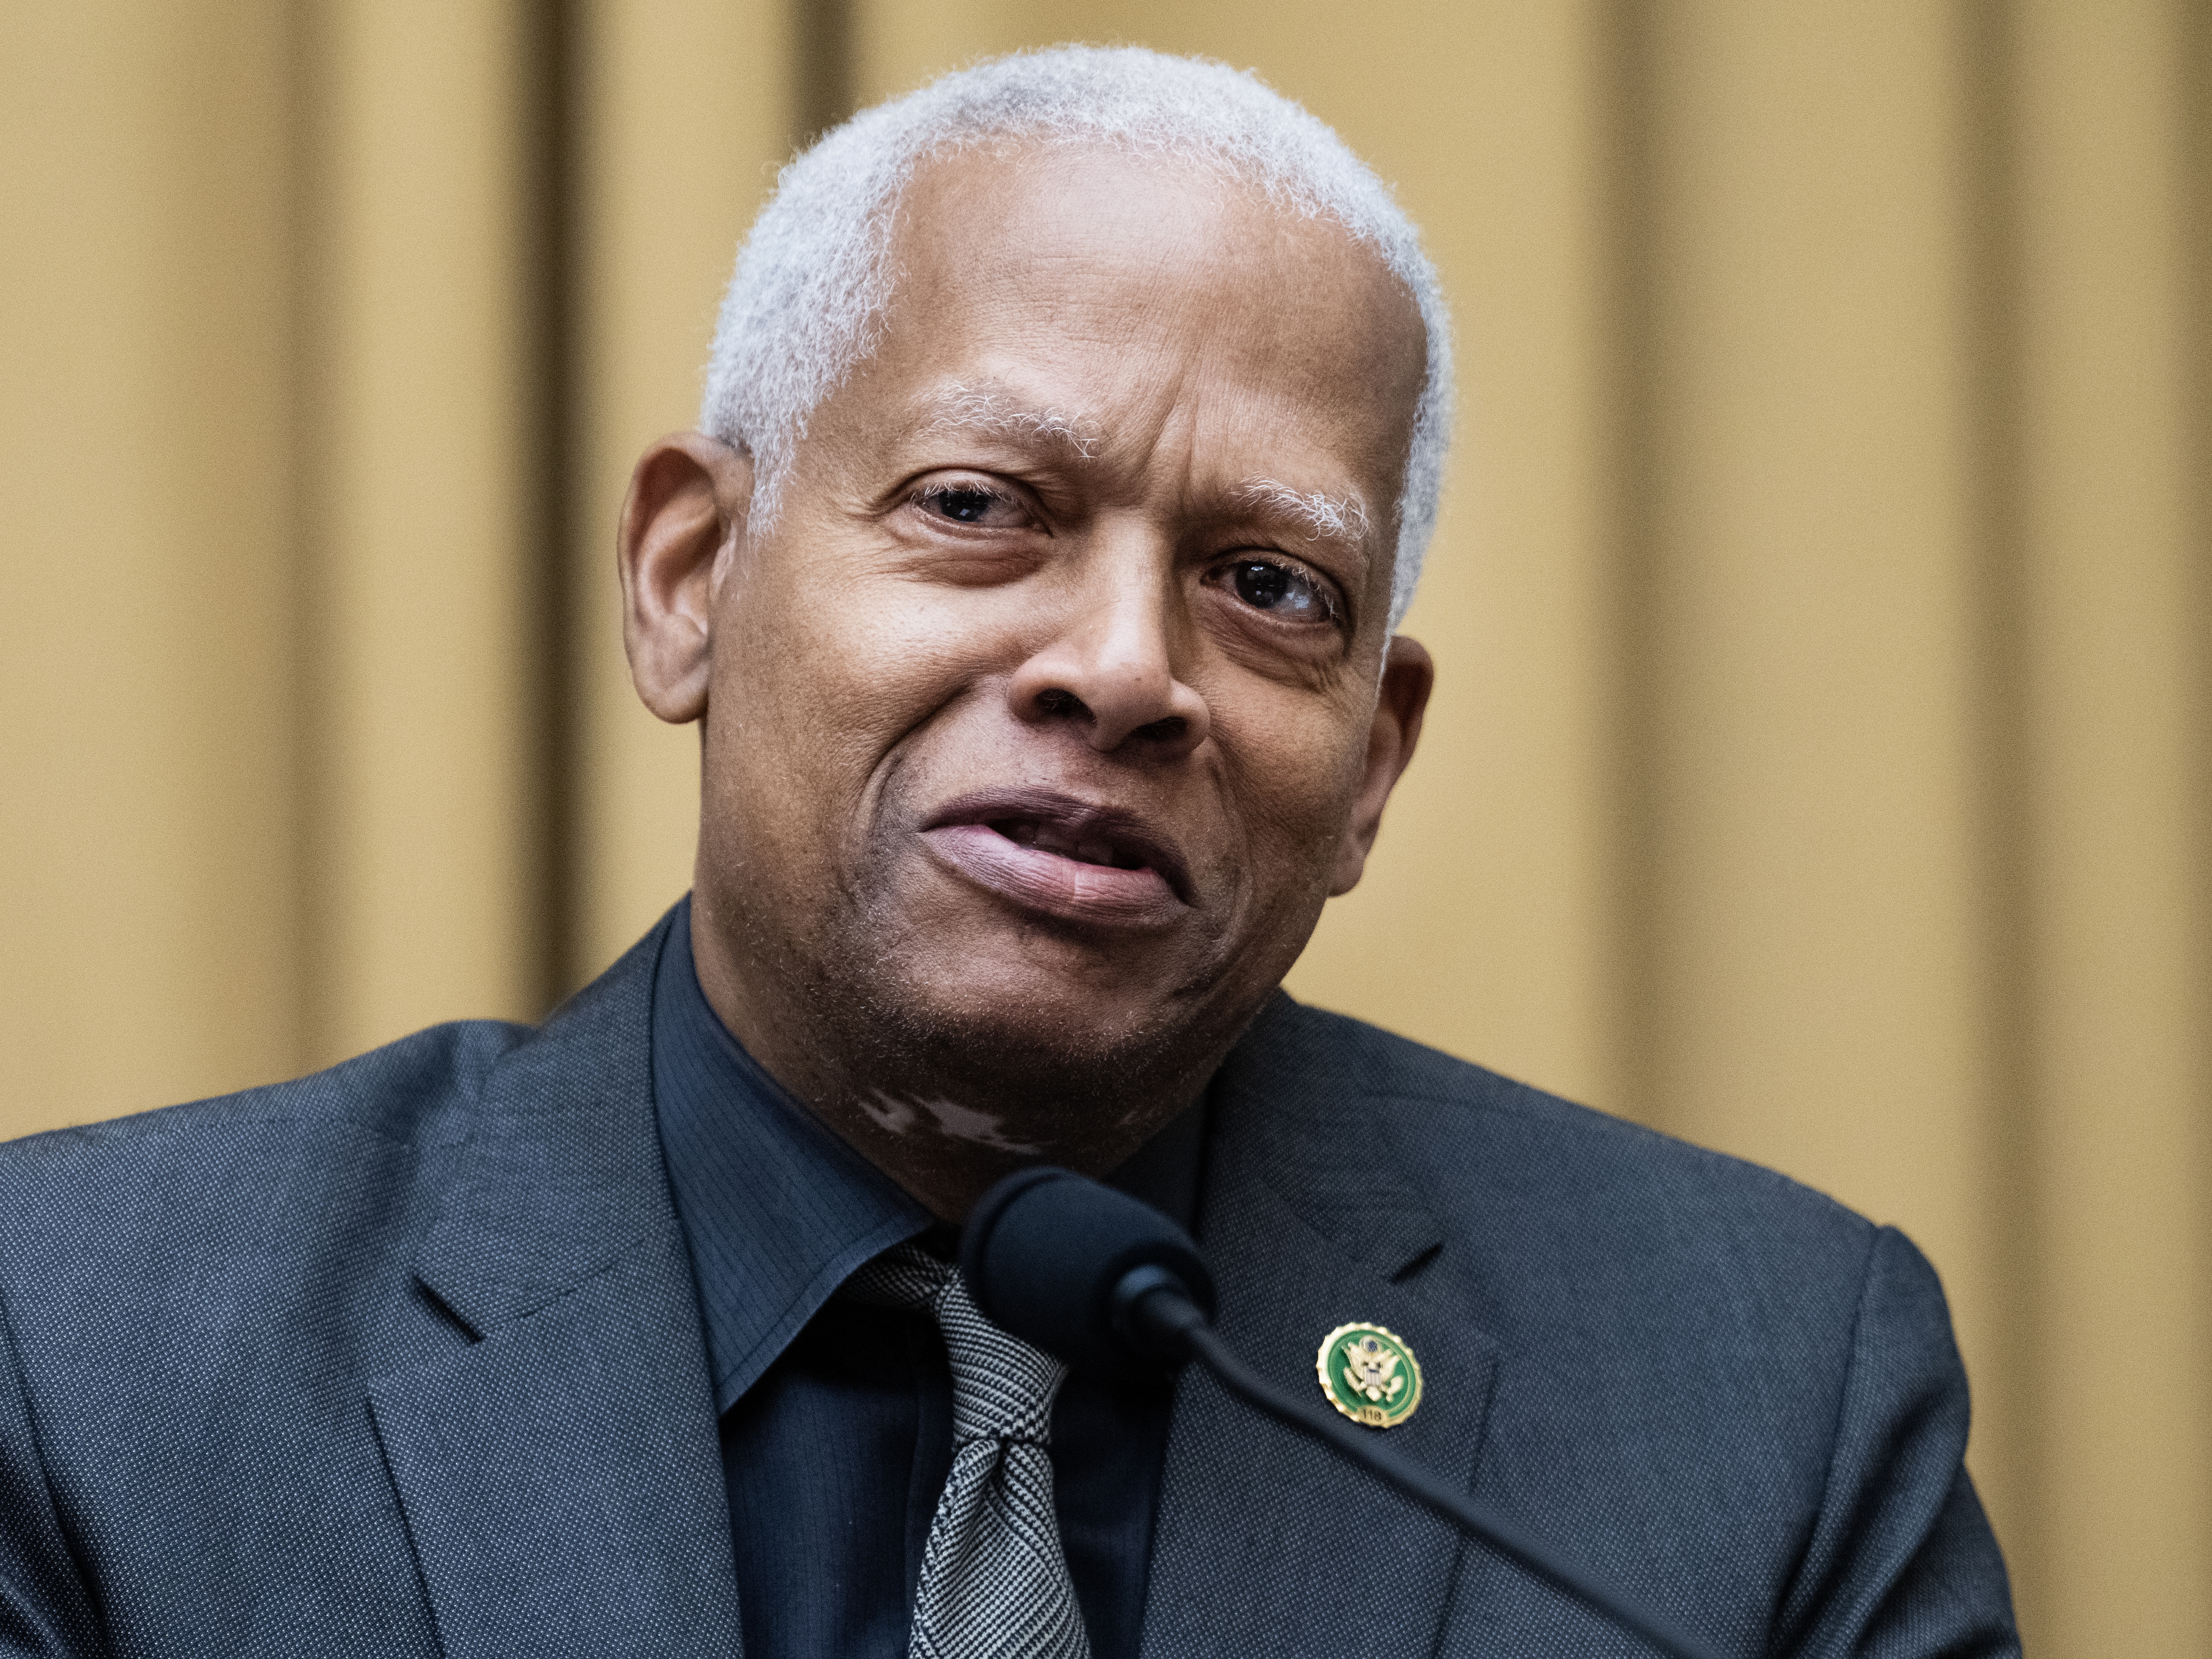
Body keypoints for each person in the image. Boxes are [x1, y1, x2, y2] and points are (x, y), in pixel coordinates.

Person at [0, 46, 2017, 1659]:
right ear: (691, 583)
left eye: (1266, 585)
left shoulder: (1759, 1399)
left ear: (1371, 767)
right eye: (980, 505)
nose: (1126, 671)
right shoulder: (85, 1353)